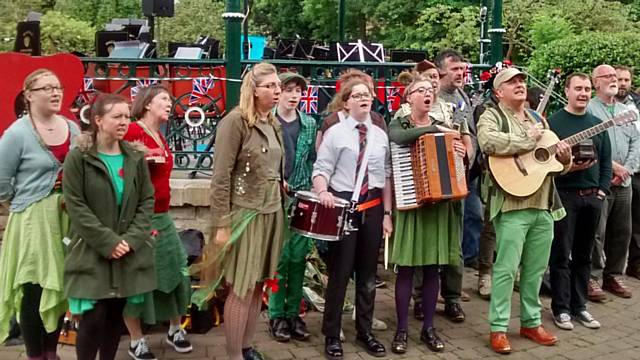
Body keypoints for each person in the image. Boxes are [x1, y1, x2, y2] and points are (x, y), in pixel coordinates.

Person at [477, 68, 572, 354]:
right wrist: (527, 140)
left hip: (543, 205)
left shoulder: (537, 118)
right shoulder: (491, 115)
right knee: (505, 270)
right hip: (511, 205)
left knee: (535, 270)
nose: (520, 85)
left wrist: (565, 159)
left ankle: (531, 322)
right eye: (512, 82)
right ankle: (498, 328)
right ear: (499, 92)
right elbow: (488, 142)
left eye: (521, 81)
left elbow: (551, 164)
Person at [62, 93, 156, 360]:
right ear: (98, 120)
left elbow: (146, 200)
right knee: (94, 316)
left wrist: (131, 239)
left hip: (127, 249)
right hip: (92, 250)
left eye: (127, 116)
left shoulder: (135, 157)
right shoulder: (79, 158)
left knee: (116, 315)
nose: (124, 121)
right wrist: (108, 242)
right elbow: (76, 205)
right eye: (117, 116)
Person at [203, 62, 285, 360]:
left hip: (271, 212)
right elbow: (221, 176)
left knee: (258, 284)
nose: (277, 91)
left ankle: (247, 347)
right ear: (253, 89)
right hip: (244, 213)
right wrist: (221, 223)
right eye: (270, 86)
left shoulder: (271, 122)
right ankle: (234, 354)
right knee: (241, 285)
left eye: (278, 86)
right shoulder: (235, 122)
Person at [0, 69, 81, 360]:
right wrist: (23, 202)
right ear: (28, 95)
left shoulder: (72, 129)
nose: (55, 92)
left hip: (66, 218)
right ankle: (36, 355)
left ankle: (52, 352)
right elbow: (1, 181)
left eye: (58, 87)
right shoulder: (17, 134)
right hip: (34, 219)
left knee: (58, 287)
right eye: (46, 88)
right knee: (35, 287)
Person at [388, 75, 469, 354]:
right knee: (407, 269)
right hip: (412, 205)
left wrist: (459, 151)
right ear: (408, 97)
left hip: (438, 206)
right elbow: (398, 138)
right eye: (419, 90)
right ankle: (401, 330)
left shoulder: (447, 127)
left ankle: (429, 328)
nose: (426, 94)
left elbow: (458, 166)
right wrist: (435, 129)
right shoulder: (401, 123)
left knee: (434, 267)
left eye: (429, 90)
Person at [313, 79, 393, 359]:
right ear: (346, 102)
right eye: (357, 95)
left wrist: (386, 213)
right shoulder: (335, 133)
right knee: (340, 272)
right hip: (343, 204)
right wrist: (323, 192)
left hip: (371, 206)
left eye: (367, 95)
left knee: (369, 274)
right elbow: (321, 169)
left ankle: (365, 331)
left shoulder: (380, 134)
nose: (364, 99)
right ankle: (332, 334)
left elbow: (385, 178)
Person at [122, 85, 193, 360]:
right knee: (139, 277)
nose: (169, 103)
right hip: (140, 217)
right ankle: (136, 340)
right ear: (147, 103)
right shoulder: (132, 131)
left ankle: (175, 328)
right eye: (164, 98)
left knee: (175, 269)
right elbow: (120, 169)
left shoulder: (158, 134)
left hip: (162, 214)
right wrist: (141, 160)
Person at [548, 73, 611, 331]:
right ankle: (561, 309)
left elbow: (606, 161)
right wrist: (567, 166)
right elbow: (545, 161)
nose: (583, 93)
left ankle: (580, 306)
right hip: (565, 196)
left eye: (586, 89)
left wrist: (601, 192)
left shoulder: (598, 123)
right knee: (561, 254)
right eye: (578, 89)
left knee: (584, 256)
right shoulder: (553, 122)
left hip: (591, 198)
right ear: (566, 91)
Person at [267, 72, 317, 342]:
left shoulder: (309, 123)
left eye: (298, 90)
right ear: (279, 93)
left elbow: (311, 159)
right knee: (279, 259)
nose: (294, 95)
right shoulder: (268, 120)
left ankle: (293, 313)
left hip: (301, 196)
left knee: (298, 258)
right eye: (288, 89)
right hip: (275, 197)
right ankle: (275, 314)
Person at [588, 64, 640, 300]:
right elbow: (588, 146)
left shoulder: (626, 110)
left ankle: (614, 276)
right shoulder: (589, 109)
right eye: (607, 76)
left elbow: (636, 143)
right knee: (596, 232)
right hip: (600, 179)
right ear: (595, 82)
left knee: (623, 230)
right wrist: (612, 168)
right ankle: (593, 278)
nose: (614, 80)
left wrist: (627, 169)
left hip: (624, 182)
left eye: (615, 77)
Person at [435, 49, 479, 321]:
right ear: (441, 72)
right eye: (455, 70)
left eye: (463, 69)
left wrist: (469, 155)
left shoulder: (462, 96)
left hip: (464, 176)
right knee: (433, 237)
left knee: (458, 237)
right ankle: (426, 295)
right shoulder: (431, 97)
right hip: (439, 178)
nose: (461, 74)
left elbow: (468, 134)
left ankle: (451, 294)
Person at [616, 66, 640, 281]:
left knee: (635, 222)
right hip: (614, 172)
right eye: (619, 79)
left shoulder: (635, 104)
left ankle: (635, 264)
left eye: (626, 79)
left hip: (635, 170)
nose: (623, 83)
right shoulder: (605, 107)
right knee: (613, 225)